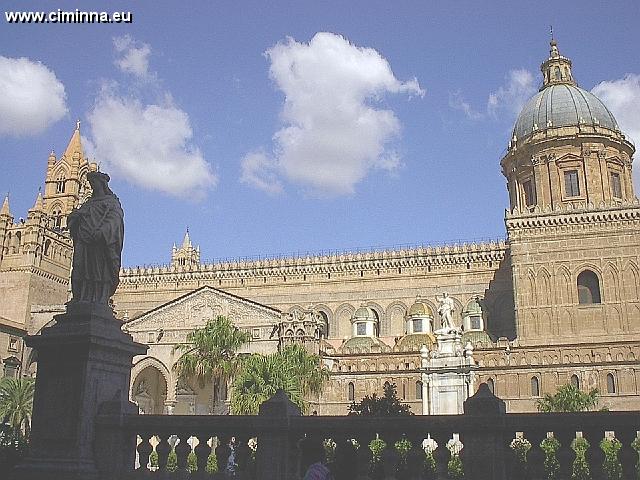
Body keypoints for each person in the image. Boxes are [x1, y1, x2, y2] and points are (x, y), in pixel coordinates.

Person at [67, 170, 124, 305]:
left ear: (102, 184)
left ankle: (99, 299)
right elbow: (73, 220)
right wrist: (75, 217)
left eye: (95, 183)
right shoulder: (88, 203)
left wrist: (102, 231)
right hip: (84, 241)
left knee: (99, 272)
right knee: (79, 267)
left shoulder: (111, 203)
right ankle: (79, 297)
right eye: (91, 183)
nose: (93, 185)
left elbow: (115, 220)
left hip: (100, 243)